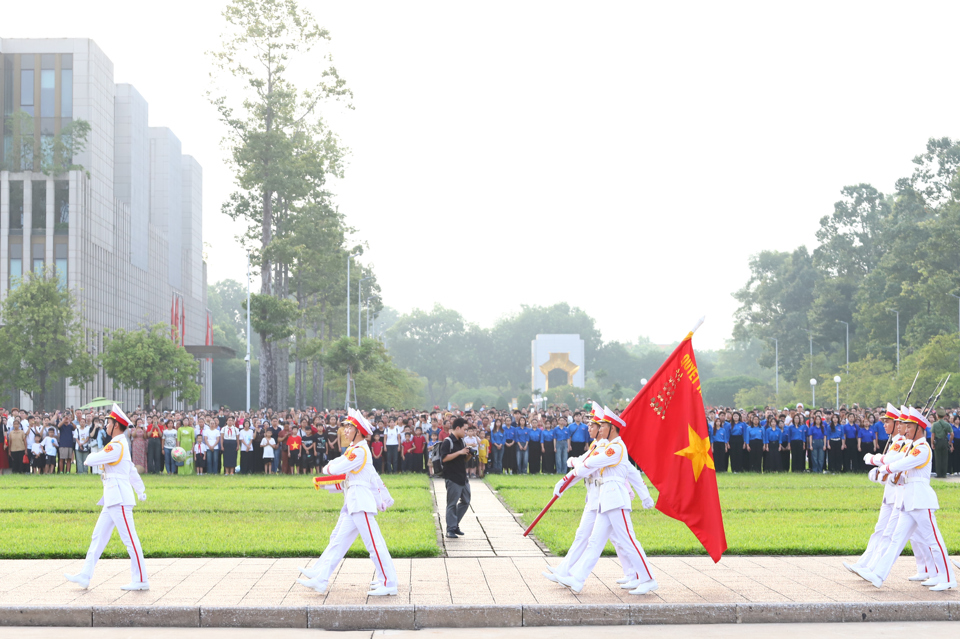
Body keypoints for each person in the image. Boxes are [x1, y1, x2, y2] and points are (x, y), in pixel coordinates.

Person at [554, 407, 658, 596]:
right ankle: (577, 579)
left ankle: (648, 579)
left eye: (603, 426)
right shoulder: (608, 447)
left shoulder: (616, 448)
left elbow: (592, 463)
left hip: (616, 498)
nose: (600, 429)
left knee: (628, 540)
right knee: (595, 541)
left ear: (612, 428)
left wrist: (574, 467)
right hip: (606, 499)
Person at [297, 408, 398, 596]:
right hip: (354, 502)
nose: (345, 430)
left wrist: (327, 467)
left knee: (374, 545)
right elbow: (347, 480)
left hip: (360, 502)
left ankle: (389, 582)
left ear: (358, 431)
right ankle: (321, 577)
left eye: (349, 427)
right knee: (338, 542)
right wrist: (325, 484)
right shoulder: (355, 450)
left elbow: (338, 468)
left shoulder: (359, 451)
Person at [856, 406, 955, 591]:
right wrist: (886, 475)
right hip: (909, 501)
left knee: (934, 541)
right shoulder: (912, 447)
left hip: (921, 500)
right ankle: (878, 575)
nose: (905, 429)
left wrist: (883, 469)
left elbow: (904, 463)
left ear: (919, 429)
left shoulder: (922, 449)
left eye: (909, 427)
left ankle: (948, 578)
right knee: (896, 539)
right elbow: (903, 472)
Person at [65, 405, 149, 591]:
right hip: (113, 497)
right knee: (98, 537)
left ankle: (141, 579)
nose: (106, 426)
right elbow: (131, 471)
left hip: (118, 498)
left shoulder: (117, 445)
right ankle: (85, 575)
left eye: (109, 423)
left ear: (116, 426)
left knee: (130, 540)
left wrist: (93, 456)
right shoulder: (121, 445)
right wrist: (140, 489)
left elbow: (90, 460)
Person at [440, 417, 471, 539]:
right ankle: (450, 529)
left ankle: (454, 523)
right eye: (465, 429)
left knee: (466, 501)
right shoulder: (448, 441)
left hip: (462, 476)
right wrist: (459, 452)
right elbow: (444, 458)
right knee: (451, 504)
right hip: (452, 477)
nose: (466, 432)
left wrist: (468, 455)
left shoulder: (461, 441)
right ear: (457, 428)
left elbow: (463, 459)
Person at [930, 410, 952, 479]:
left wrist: (932, 443)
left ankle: (939, 474)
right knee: (945, 458)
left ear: (937, 416)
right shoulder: (947, 424)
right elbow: (952, 434)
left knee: (938, 458)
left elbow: (933, 435)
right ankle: (944, 473)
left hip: (938, 441)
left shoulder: (935, 424)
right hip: (945, 441)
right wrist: (950, 442)